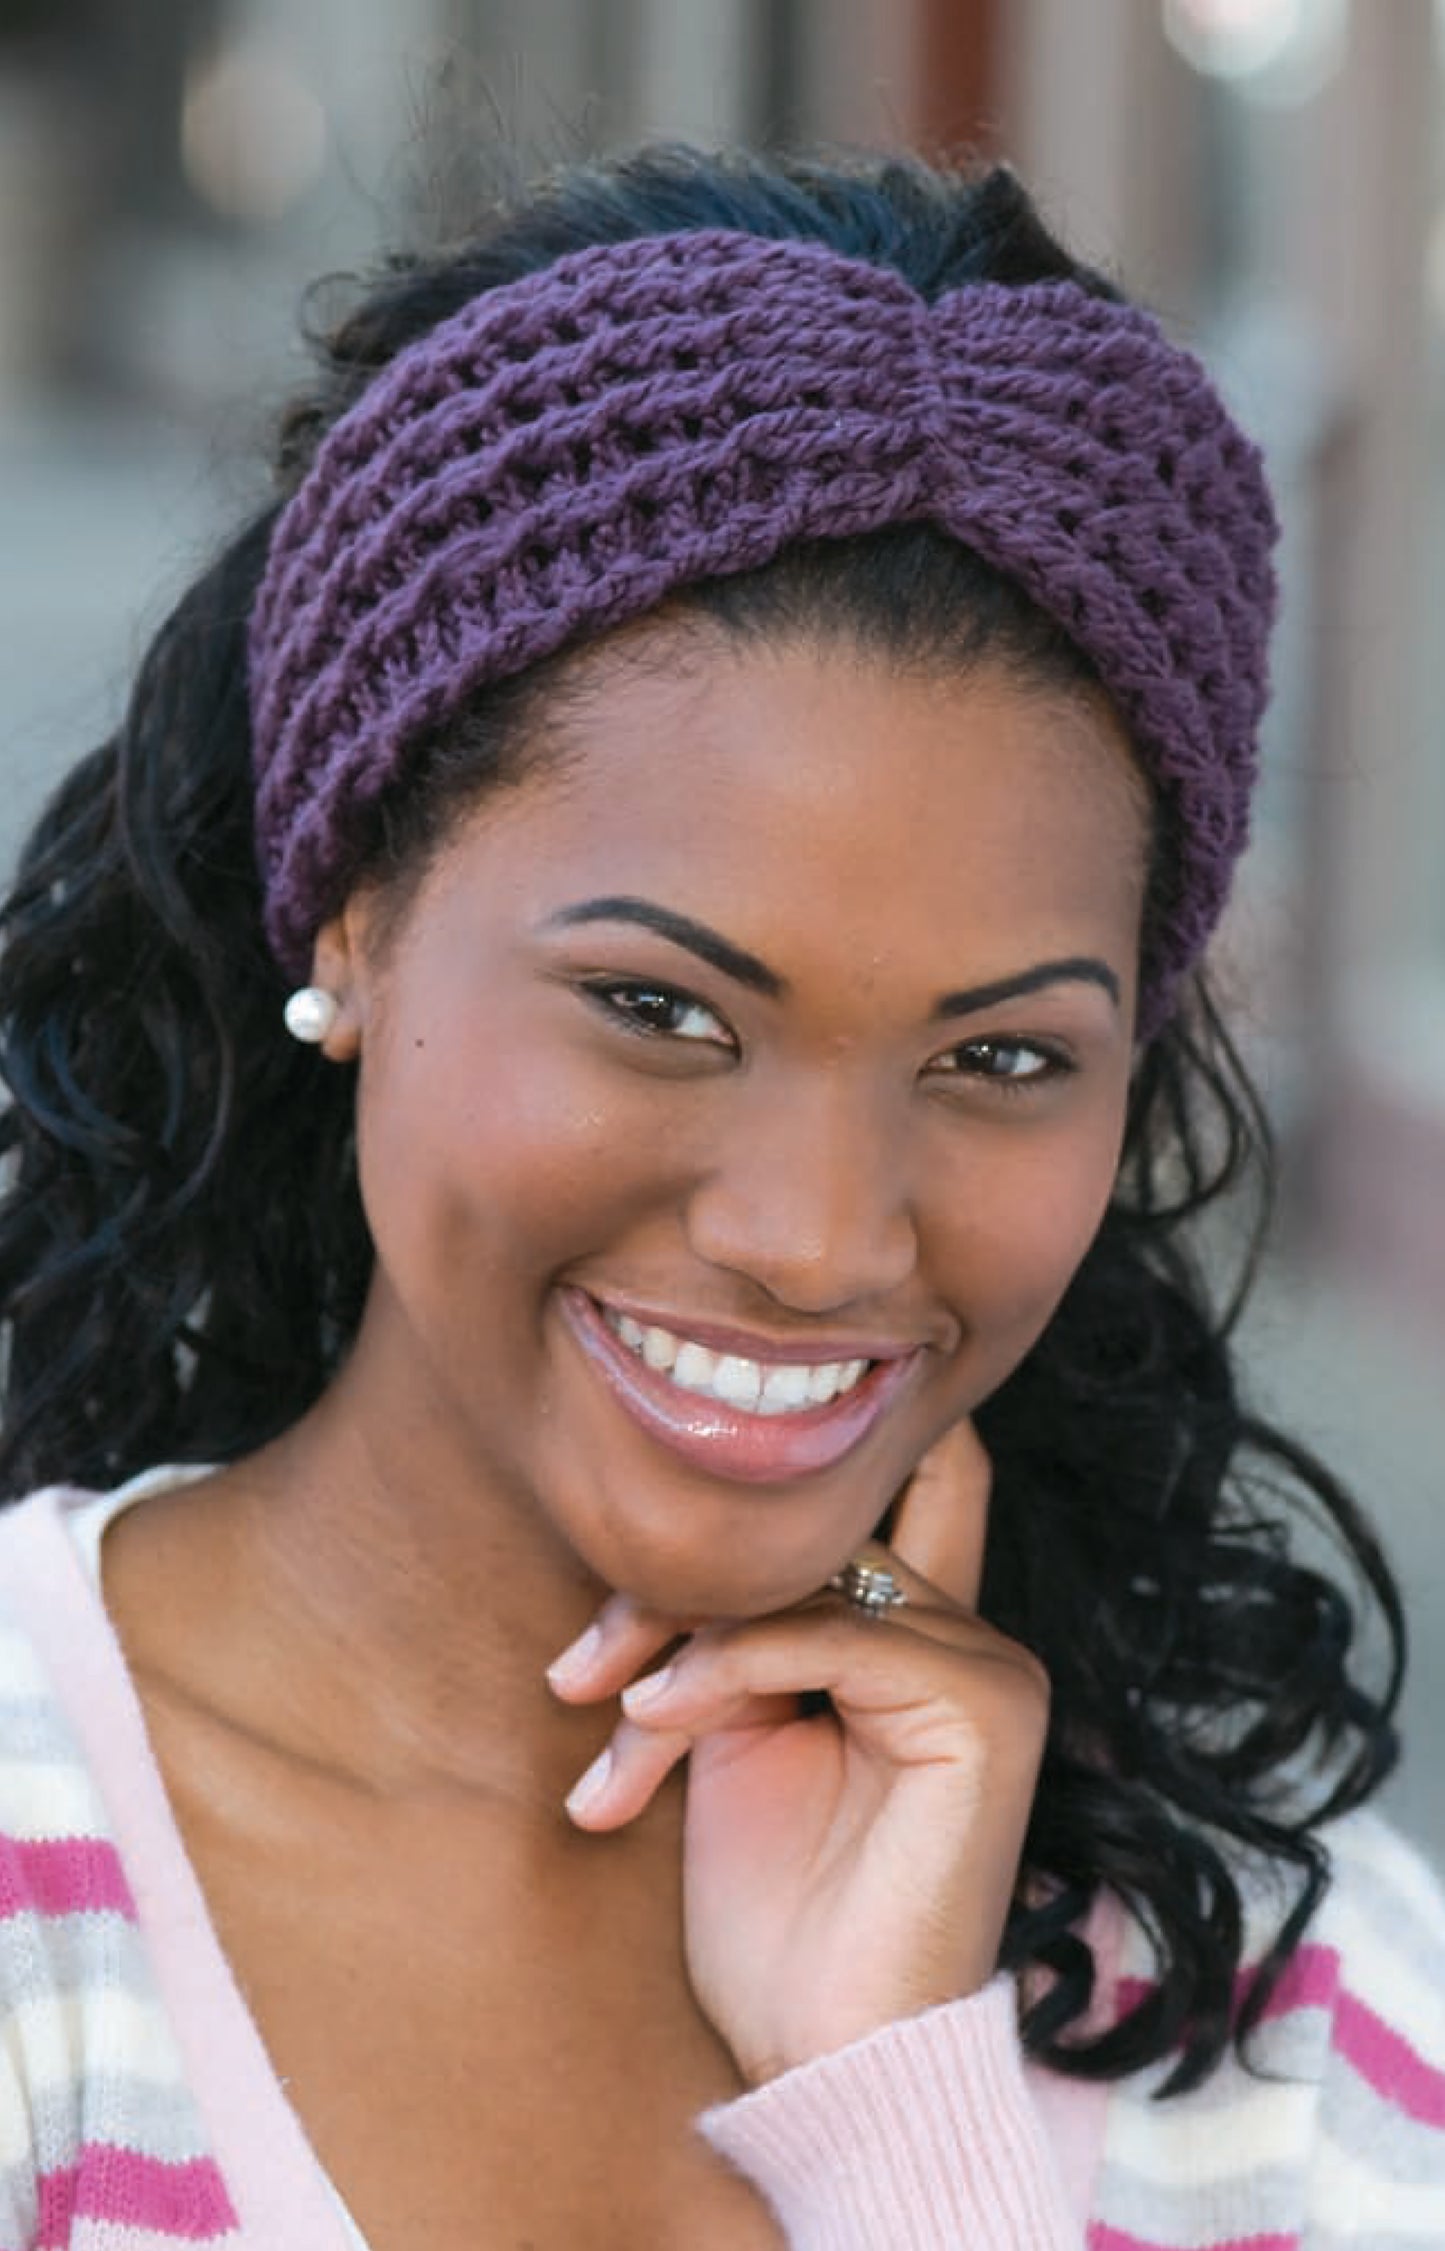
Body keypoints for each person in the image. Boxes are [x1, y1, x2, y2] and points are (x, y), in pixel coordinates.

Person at [0, 141, 1439, 2251]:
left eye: (1004, 1056)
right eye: (664, 1010)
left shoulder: (1297, 2006)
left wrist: (904, 2136)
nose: (823, 1234)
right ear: (359, 918)